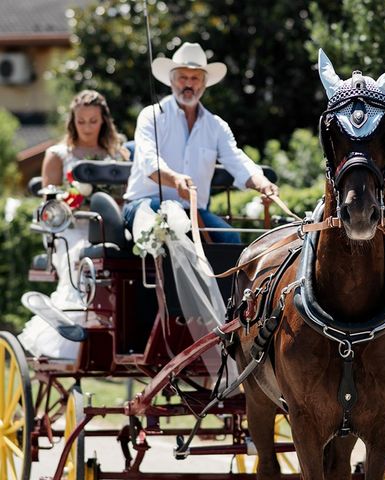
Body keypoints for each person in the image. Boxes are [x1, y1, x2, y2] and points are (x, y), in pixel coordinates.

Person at [123, 41, 278, 243]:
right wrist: (175, 179)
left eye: (195, 78)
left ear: (204, 84)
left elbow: (236, 160)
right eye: (183, 77)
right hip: (145, 206)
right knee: (170, 221)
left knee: (231, 240)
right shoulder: (151, 116)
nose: (189, 84)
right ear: (171, 81)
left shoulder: (216, 126)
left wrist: (263, 183)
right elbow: (149, 163)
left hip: (193, 211)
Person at [19, 90, 129, 359]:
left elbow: (127, 197)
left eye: (93, 120)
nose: (88, 127)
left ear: (103, 120)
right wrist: (80, 202)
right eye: (82, 121)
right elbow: (50, 207)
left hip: (109, 228)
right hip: (71, 231)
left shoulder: (118, 154)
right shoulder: (57, 155)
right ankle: (68, 338)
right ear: (73, 121)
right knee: (79, 256)